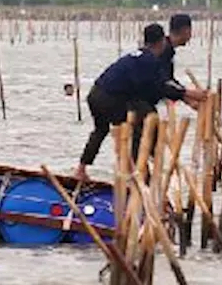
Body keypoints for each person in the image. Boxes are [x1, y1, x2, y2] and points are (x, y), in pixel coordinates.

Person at [74, 24, 174, 181]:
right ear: (162, 42)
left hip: (95, 94)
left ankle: (81, 169)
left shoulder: (136, 55)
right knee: (142, 120)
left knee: (100, 131)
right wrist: (186, 95)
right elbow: (160, 86)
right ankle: (136, 169)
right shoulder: (150, 60)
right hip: (109, 98)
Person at [161, 14, 207, 109]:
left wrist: (188, 100)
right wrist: (189, 94)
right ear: (185, 30)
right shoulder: (163, 50)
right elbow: (163, 84)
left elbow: (169, 81)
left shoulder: (166, 48)